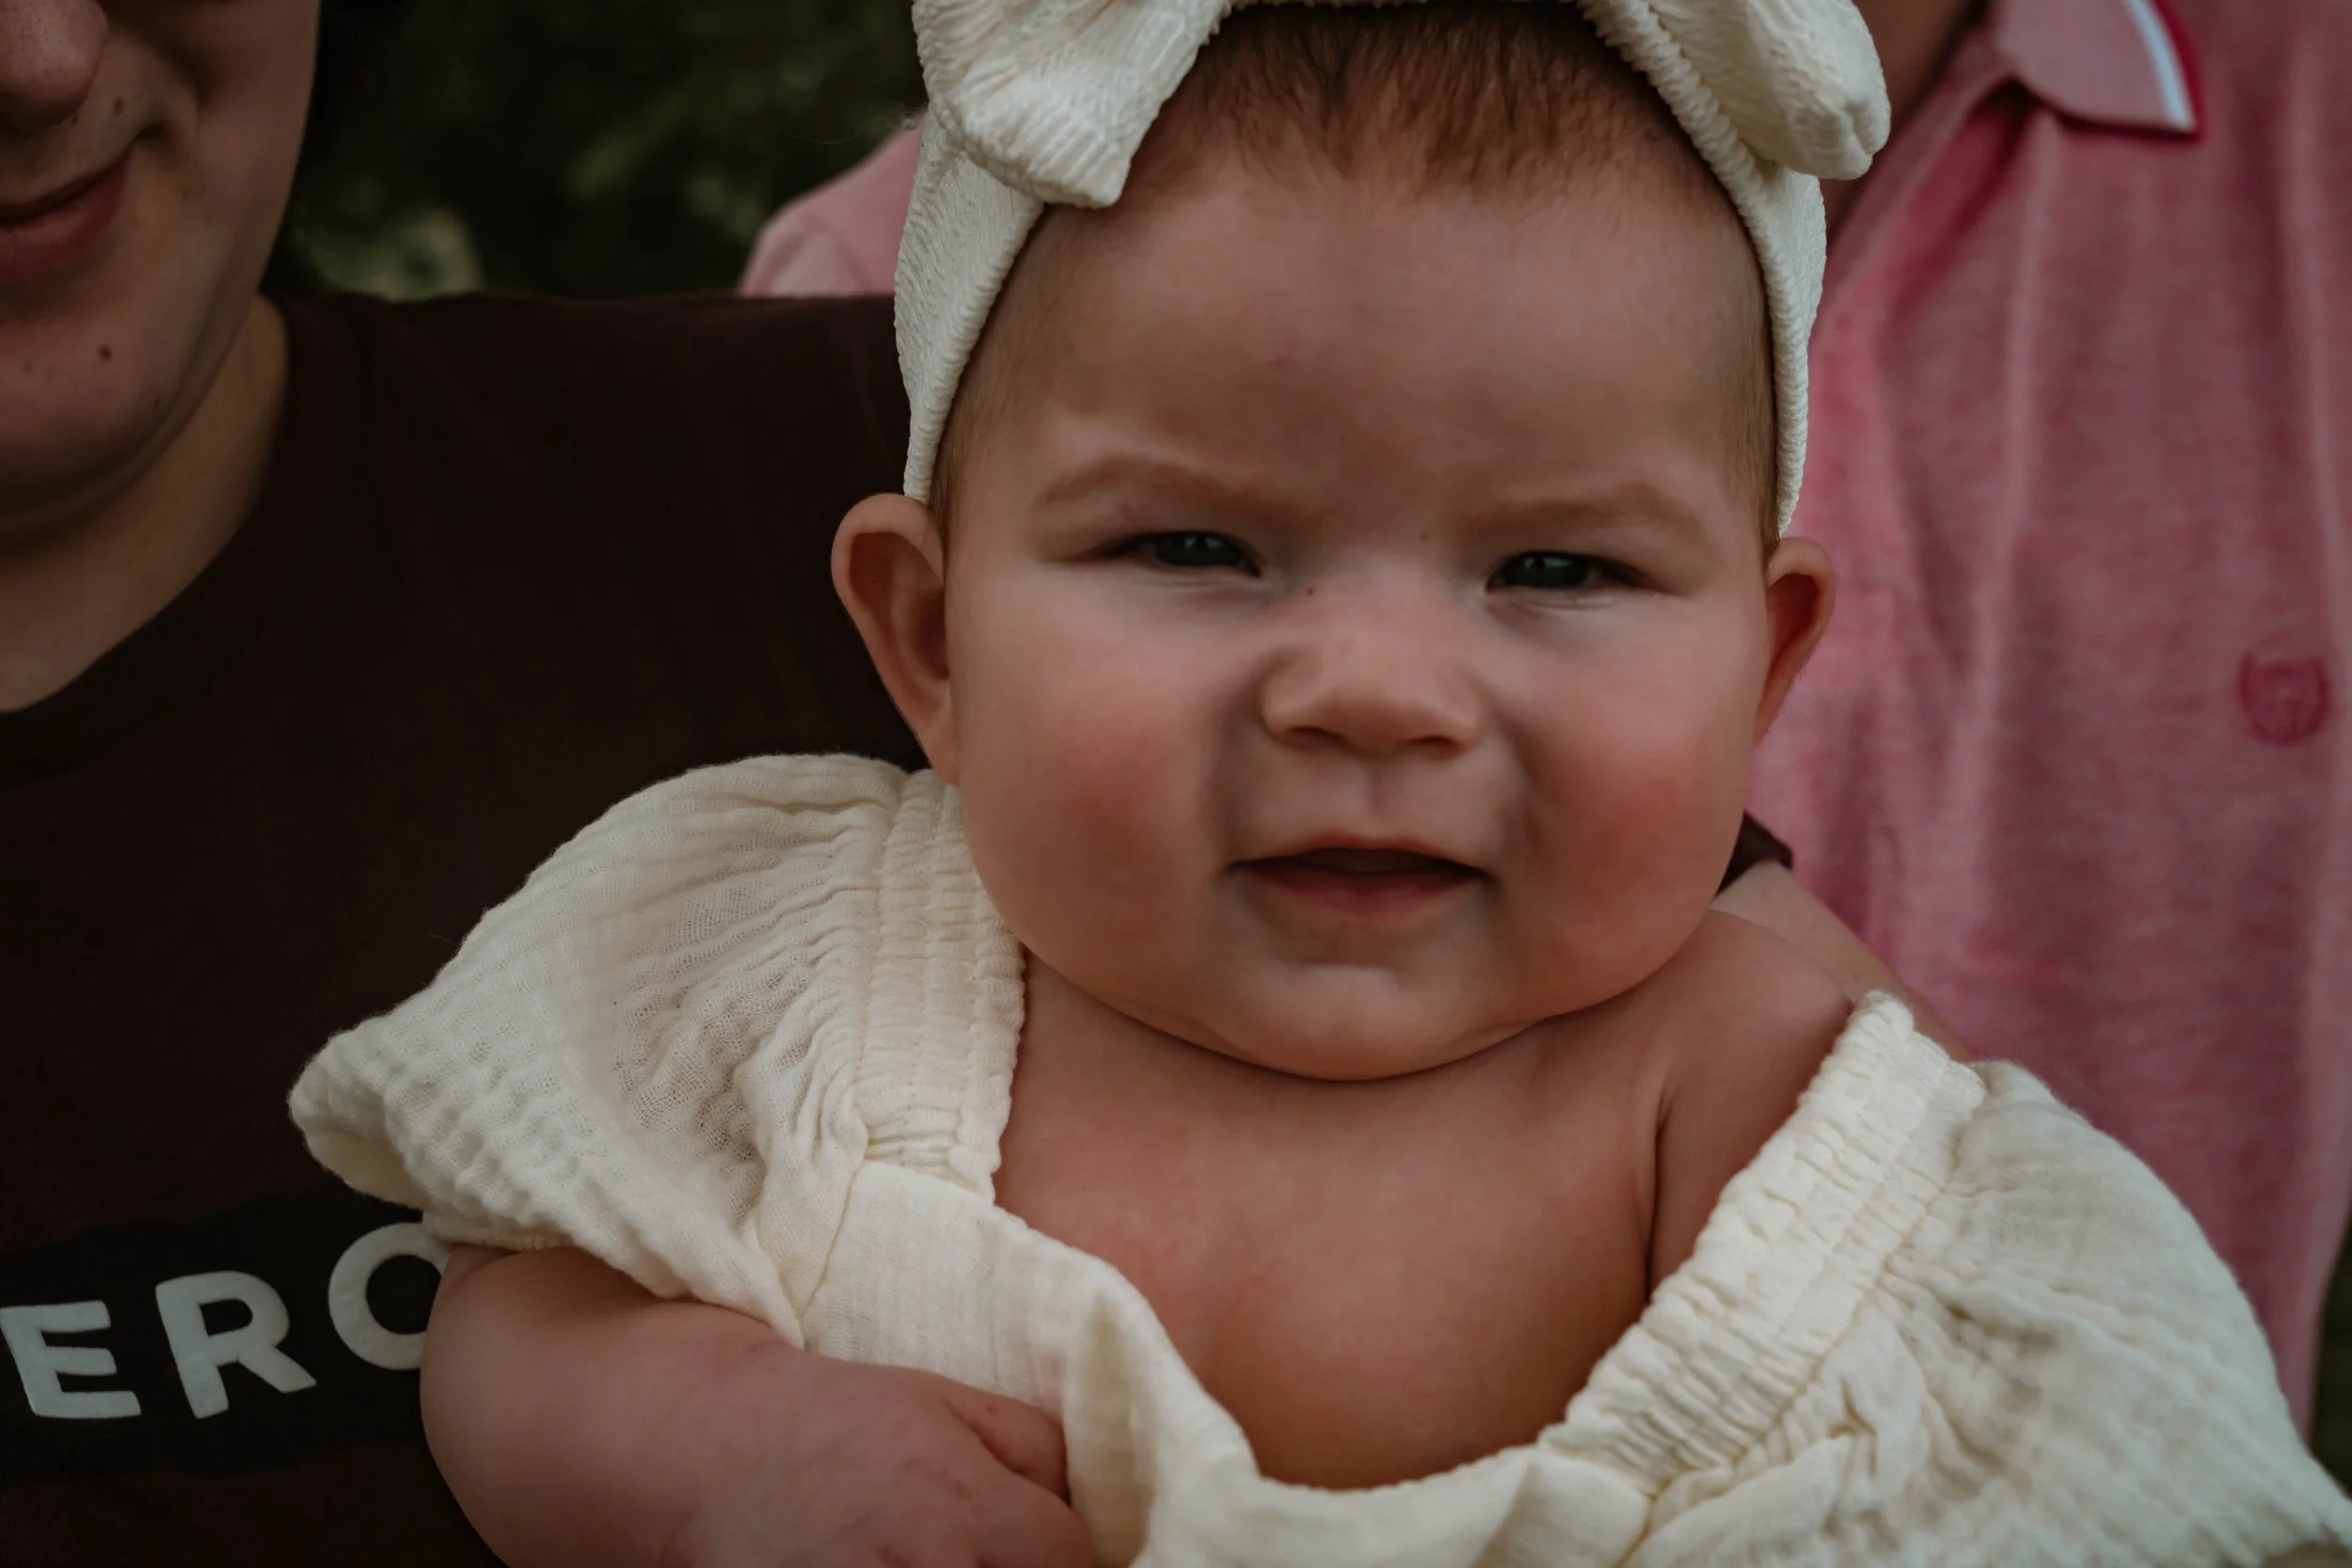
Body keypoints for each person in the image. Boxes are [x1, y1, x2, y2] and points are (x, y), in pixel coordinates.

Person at [292, 0, 2350, 1562]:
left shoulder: (1780, 1106)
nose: (1373, 691)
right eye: (1192, 549)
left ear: (1762, 662)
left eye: (1550, 567)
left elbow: (2086, 1466)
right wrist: (699, 1441)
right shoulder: (780, 952)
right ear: (927, 636)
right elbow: (509, 1304)